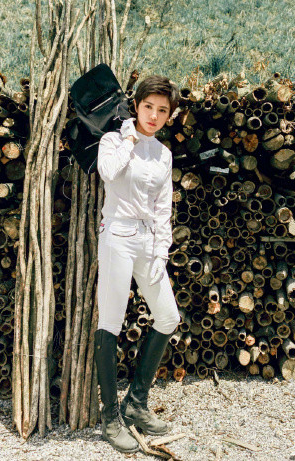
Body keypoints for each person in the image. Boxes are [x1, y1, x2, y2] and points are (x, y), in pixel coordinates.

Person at [93, 75, 181, 453]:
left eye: (162, 110)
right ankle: (110, 417)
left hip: (148, 241)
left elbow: (164, 209)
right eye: (149, 107)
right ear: (137, 105)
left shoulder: (164, 154)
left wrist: (161, 250)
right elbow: (108, 173)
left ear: (169, 115)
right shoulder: (113, 140)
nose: (154, 115)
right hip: (117, 236)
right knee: (110, 322)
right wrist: (128, 137)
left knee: (168, 317)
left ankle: (136, 403)